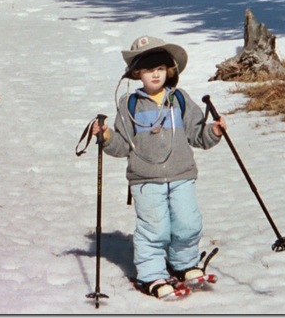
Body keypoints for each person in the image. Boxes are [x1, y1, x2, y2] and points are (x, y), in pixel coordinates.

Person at [92, 35, 227, 299]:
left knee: (188, 223)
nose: (155, 74)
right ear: (137, 72)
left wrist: (214, 130)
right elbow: (121, 146)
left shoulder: (180, 100)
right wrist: (106, 136)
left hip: (182, 174)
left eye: (160, 68)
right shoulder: (129, 105)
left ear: (169, 71)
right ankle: (151, 274)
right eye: (148, 69)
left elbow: (198, 135)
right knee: (155, 228)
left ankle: (183, 263)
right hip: (145, 179)